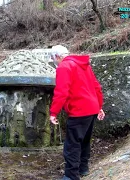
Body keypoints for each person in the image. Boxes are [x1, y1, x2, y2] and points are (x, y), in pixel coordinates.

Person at [49, 45, 105, 180]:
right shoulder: (83, 65)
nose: (54, 62)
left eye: (53, 59)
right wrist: (99, 106)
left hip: (79, 109)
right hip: (91, 108)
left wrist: (53, 112)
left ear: (57, 56)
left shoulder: (64, 67)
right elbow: (96, 86)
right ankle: (83, 168)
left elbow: (61, 92)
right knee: (84, 140)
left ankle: (71, 175)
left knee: (72, 144)